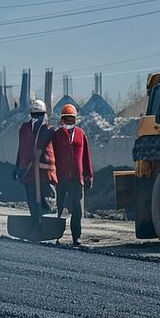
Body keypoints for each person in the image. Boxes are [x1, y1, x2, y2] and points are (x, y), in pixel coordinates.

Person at [50, 104, 93, 245]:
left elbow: (86, 157)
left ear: (75, 120)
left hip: (76, 179)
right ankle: (56, 235)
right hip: (60, 178)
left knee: (77, 211)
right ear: (62, 120)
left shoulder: (81, 135)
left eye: (71, 119)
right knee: (59, 208)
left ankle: (76, 237)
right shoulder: (56, 135)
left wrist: (89, 176)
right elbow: (52, 155)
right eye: (66, 119)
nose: (69, 122)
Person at [14, 99, 56, 218]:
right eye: (35, 114)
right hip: (28, 172)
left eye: (40, 114)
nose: (37, 117)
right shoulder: (24, 128)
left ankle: (46, 225)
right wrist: (17, 166)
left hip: (45, 173)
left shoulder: (50, 129)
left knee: (47, 203)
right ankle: (35, 224)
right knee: (32, 202)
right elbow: (21, 148)